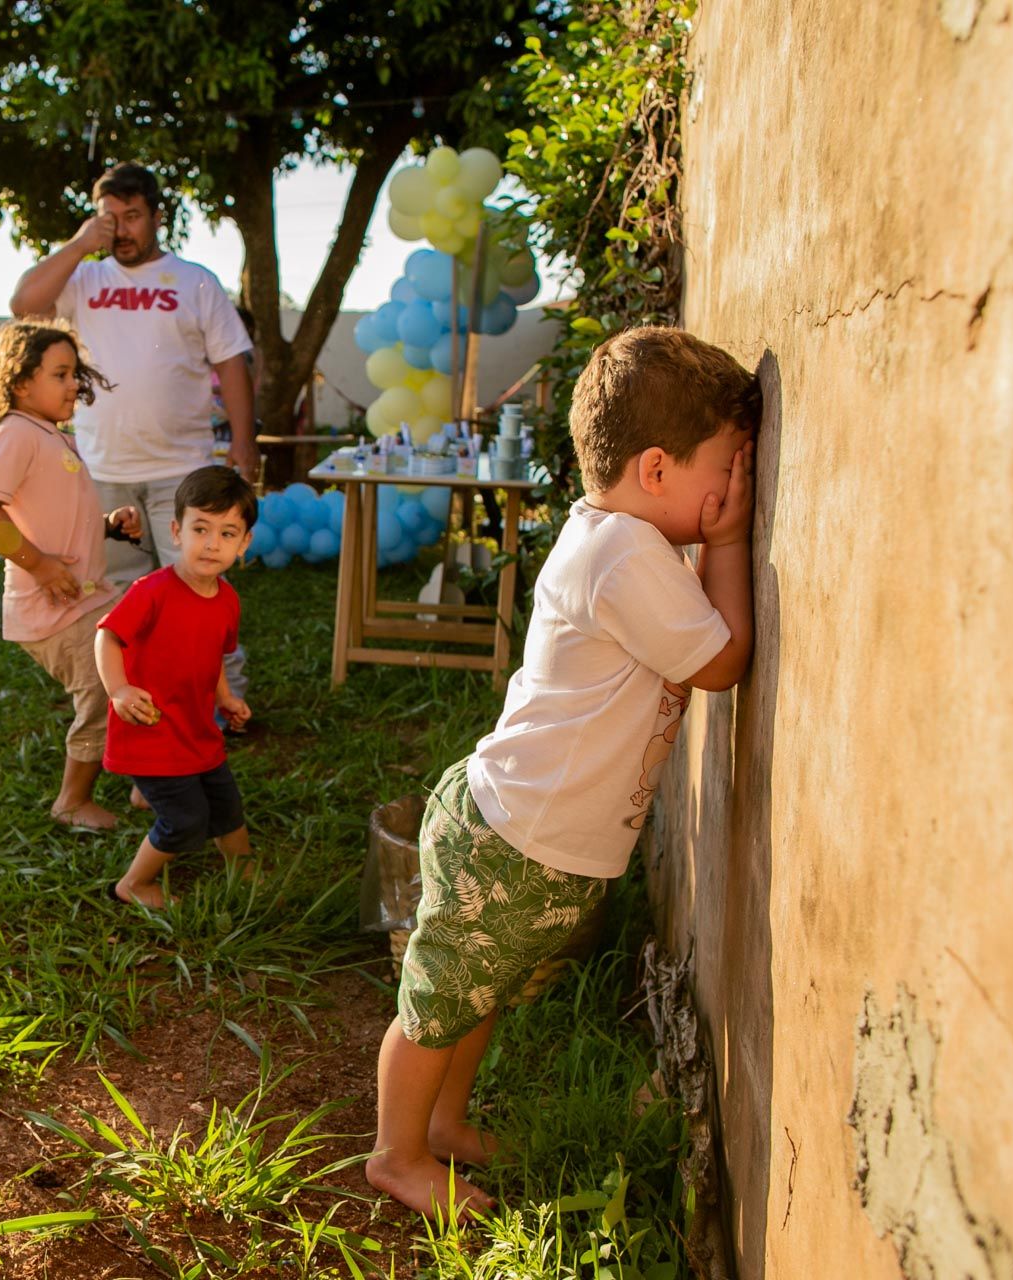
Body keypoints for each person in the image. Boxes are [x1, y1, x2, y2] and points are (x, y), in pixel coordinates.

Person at [366, 326, 759, 1221]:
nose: (732, 489)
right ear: (657, 470)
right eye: (725, 470)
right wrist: (729, 541)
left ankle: (448, 1128)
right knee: (437, 1006)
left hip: (531, 836)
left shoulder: (627, 544)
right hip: (511, 838)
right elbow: (723, 659)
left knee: (478, 995)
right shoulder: (623, 554)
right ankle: (395, 1155)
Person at [10, 162, 258, 717]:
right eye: (109, 218)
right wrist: (79, 244)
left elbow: (232, 363)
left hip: (183, 468)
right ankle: (136, 702)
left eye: (132, 216)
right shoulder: (85, 279)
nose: (121, 230)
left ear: (156, 217)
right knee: (119, 596)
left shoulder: (194, 281)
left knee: (200, 589)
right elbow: (24, 304)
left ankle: (223, 707)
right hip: (103, 470)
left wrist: (245, 439)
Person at [0, 321, 143, 831]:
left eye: (74, 374)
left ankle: (148, 779)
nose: (73, 386)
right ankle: (71, 802)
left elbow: (52, 515)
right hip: (55, 606)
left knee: (141, 662)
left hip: (85, 596)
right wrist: (39, 565)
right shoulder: (17, 433)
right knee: (103, 690)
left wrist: (107, 528)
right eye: (60, 374)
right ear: (21, 384)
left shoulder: (49, 435)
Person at [94, 466, 256, 908]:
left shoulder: (226, 600)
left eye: (227, 533)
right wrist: (119, 690)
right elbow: (107, 636)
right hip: (149, 728)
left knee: (226, 803)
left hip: (196, 728)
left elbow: (214, 657)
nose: (211, 543)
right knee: (186, 819)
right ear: (176, 531)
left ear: (244, 544)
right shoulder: (153, 591)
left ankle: (242, 870)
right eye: (200, 528)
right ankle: (133, 884)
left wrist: (225, 698)